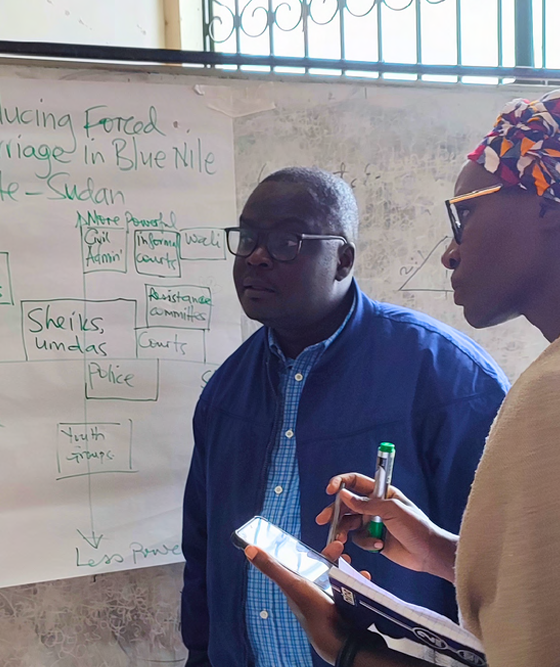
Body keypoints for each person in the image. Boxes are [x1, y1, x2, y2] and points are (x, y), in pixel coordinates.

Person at [247, 83, 560, 667]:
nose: (450, 252)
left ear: (551, 204)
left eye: (465, 214)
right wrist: (444, 552)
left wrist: (349, 649)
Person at [181, 166, 510, 667]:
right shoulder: (226, 389)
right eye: (248, 238)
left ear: (343, 259)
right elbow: (202, 553)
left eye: (288, 241)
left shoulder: (448, 378)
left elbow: (502, 567)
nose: (257, 256)